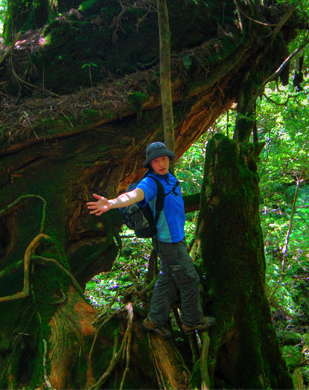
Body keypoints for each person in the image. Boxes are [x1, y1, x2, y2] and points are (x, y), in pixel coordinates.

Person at [87, 142, 215, 338]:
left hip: (174, 240)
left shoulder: (169, 178)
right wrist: (110, 203)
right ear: (151, 165)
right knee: (190, 280)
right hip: (169, 243)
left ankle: (154, 320)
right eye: (156, 161)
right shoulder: (150, 183)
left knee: (167, 279)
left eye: (164, 158)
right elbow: (133, 195)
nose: (161, 163)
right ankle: (192, 321)